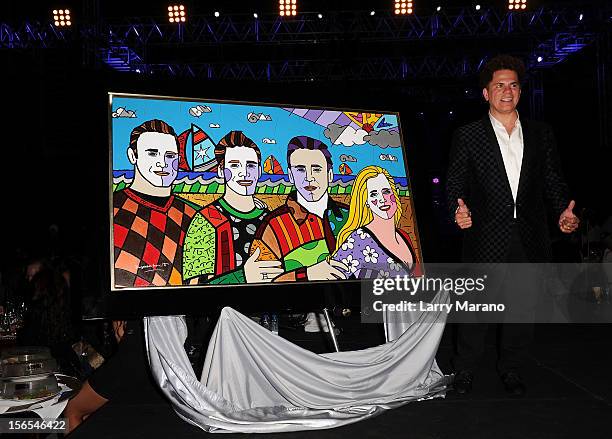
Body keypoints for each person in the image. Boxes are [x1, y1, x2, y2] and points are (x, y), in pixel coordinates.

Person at [446, 54, 579, 395]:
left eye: (514, 84)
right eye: (499, 85)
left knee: (522, 309)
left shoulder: (541, 133)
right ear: (486, 94)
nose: (507, 90)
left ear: (520, 91)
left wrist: (564, 211)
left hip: (530, 235)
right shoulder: (468, 135)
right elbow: (454, 185)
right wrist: (456, 211)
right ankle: (464, 372)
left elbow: (552, 179)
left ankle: (512, 369)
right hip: (484, 236)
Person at [182, 131, 282, 284]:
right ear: (221, 171)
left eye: (251, 165)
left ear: (259, 171)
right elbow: (193, 285)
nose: (245, 173)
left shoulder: (272, 220)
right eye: (235, 165)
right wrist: (243, 277)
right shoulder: (204, 221)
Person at [113, 119, 199, 288]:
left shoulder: (194, 215)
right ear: (132, 155)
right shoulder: (113, 210)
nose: (163, 163)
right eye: (152, 153)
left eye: (170, 156)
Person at [250, 135, 349, 281]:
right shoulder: (274, 225)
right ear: (290, 175)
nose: (309, 177)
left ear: (329, 175)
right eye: (300, 170)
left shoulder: (352, 215)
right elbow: (262, 282)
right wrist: (306, 275)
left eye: (316, 169)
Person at [332, 166, 420, 278]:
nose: (382, 199)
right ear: (366, 201)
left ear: (394, 193)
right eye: (374, 194)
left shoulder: (404, 236)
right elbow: (334, 279)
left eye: (386, 191)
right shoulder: (358, 240)